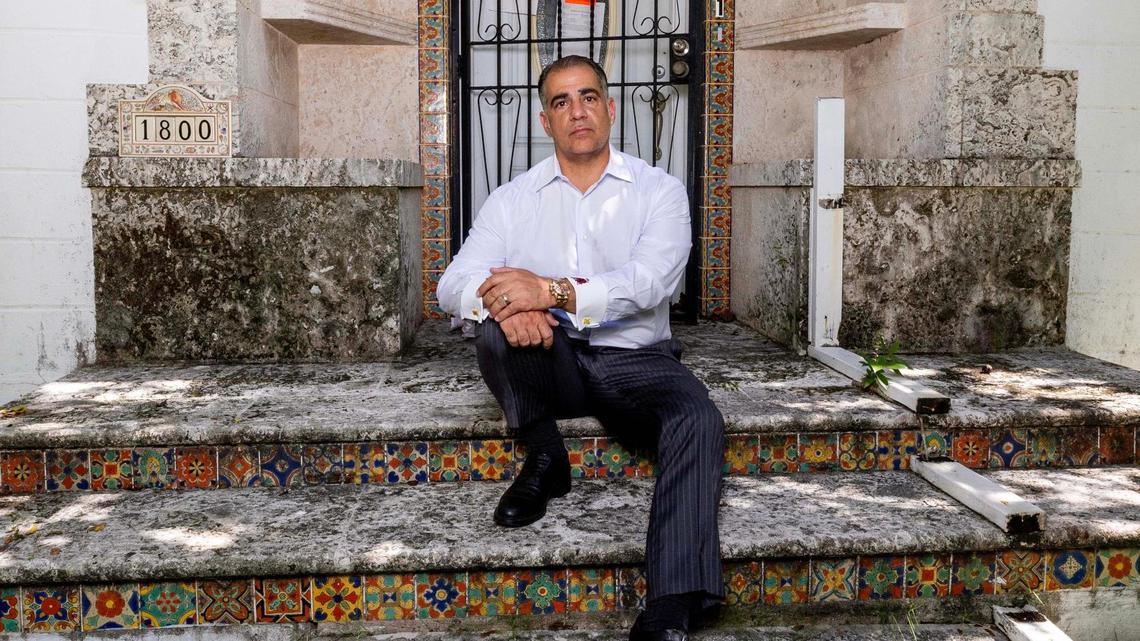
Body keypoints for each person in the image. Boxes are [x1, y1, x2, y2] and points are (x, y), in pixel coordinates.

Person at [437, 54, 724, 641]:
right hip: (554, 358)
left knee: (698, 418)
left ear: (610, 109)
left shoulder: (658, 191)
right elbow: (452, 284)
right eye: (562, 102)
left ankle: (674, 601)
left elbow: (653, 282)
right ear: (546, 120)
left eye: (588, 97)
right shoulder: (513, 199)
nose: (577, 111)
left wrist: (550, 289)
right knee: (496, 325)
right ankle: (547, 457)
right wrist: (511, 302)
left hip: (637, 361)